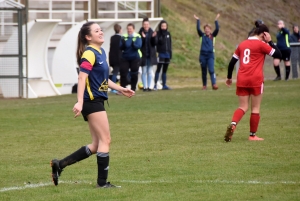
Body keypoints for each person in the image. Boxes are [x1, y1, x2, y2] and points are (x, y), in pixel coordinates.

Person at [50, 22, 135, 188]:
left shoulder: (100, 52)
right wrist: (80, 102)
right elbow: (82, 78)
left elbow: (104, 79)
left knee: (97, 145)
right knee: (106, 140)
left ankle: (59, 164)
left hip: (96, 100)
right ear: (88, 37)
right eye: (97, 31)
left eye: (101, 29)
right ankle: (102, 184)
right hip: (91, 101)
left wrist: (120, 89)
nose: (101, 32)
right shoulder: (89, 54)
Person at [224, 24, 282, 142]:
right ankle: (252, 135)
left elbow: (232, 63)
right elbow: (278, 55)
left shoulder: (242, 44)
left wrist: (229, 77)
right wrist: (270, 42)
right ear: (264, 34)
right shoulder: (262, 45)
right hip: (256, 79)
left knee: (242, 107)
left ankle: (233, 124)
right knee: (255, 108)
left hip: (242, 79)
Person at [194, 13, 220, 90]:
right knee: (204, 71)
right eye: (205, 29)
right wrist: (198, 20)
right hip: (202, 56)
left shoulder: (213, 36)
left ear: (210, 30)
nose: (207, 30)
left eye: (208, 29)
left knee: (211, 70)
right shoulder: (202, 35)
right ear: (204, 30)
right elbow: (198, 29)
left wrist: (216, 20)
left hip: (210, 55)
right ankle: (204, 85)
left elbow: (217, 29)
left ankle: (214, 84)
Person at [120, 23, 142, 91]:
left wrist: (133, 45)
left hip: (135, 57)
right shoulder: (124, 36)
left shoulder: (137, 36)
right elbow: (120, 47)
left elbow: (139, 46)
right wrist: (123, 45)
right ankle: (122, 88)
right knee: (123, 72)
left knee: (134, 73)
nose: (129, 30)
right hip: (125, 57)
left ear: (133, 29)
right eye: (128, 29)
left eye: (130, 29)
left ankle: (133, 88)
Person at [138, 18, 157, 91]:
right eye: (144, 24)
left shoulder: (152, 32)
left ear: (149, 25)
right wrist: (143, 38)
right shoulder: (140, 33)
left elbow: (154, 43)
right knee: (144, 71)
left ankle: (149, 87)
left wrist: (153, 37)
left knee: (149, 71)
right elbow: (139, 44)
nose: (146, 26)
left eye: (147, 24)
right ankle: (145, 87)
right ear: (142, 25)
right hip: (143, 55)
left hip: (150, 55)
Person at [154, 20, 172, 90]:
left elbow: (170, 44)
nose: (163, 27)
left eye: (165, 26)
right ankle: (155, 85)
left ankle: (164, 85)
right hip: (161, 53)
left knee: (165, 70)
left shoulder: (168, 34)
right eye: (162, 26)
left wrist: (170, 54)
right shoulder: (158, 33)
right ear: (160, 26)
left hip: (167, 54)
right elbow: (156, 42)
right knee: (158, 69)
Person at [109, 24, 122, 93]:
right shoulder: (121, 38)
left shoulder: (112, 38)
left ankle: (114, 87)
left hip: (112, 58)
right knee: (116, 73)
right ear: (120, 30)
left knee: (115, 73)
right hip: (118, 59)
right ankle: (113, 88)